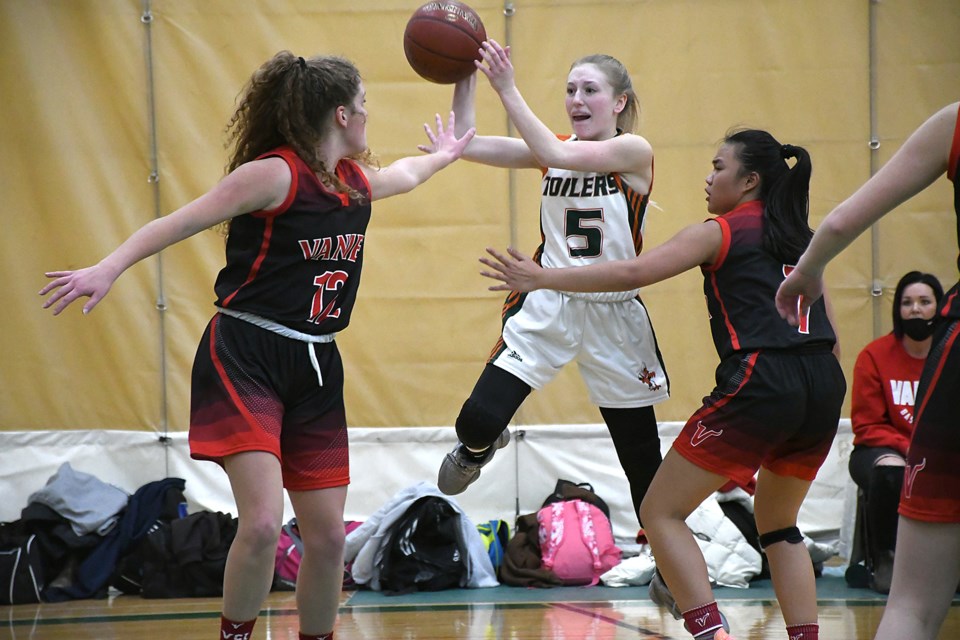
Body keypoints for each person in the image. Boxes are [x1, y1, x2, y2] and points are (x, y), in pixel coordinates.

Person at [39, 50, 474, 640]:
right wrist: (109, 267)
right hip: (246, 353)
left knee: (324, 537)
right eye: (365, 104)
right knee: (265, 523)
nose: (369, 114)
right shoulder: (274, 174)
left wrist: (453, 130)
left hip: (317, 362)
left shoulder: (353, 184)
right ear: (342, 114)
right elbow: (181, 221)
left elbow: (412, 172)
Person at [480, 128, 845, 640]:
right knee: (780, 526)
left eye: (719, 167)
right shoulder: (805, 240)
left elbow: (631, 272)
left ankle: (709, 632)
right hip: (825, 384)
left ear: (749, 181)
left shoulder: (719, 230)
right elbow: (830, 332)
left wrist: (543, 278)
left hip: (764, 378)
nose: (708, 176)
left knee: (659, 510)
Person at [436, 40, 670, 536]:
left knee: (643, 466)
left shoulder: (633, 151)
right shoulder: (555, 149)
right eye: (570, 90)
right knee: (476, 420)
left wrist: (508, 87)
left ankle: (671, 566)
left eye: (590, 90)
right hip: (549, 301)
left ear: (620, 103)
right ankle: (479, 447)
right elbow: (463, 142)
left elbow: (554, 150)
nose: (577, 99)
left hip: (614, 313)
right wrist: (463, 72)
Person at [776, 102, 960, 640]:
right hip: (881, 450)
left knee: (912, 607)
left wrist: (806, 272)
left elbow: (839, 220)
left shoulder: (953, 122)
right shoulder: (876, 355)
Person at [848, 270, 943, 593]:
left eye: (924, 301)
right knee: (893, 472)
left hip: (940, 451)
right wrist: (911, 449)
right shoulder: (873, 356)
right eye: (907, 302)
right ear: (898, 311)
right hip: (882, 451)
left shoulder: (950, 357)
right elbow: (867, 426)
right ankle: (887, 560)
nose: (915, 309)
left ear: (939, 308)